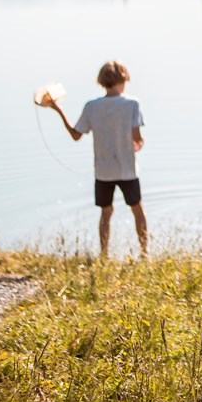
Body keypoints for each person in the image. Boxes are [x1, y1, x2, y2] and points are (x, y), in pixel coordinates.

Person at [47, 60, 147, 258]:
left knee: (106, 213)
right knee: (137, 209)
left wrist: (58, 109)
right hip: (127, 169)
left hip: (103, 171)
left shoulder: (92, 107)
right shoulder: (132, 104)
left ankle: (104, 256)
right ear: (123, 79)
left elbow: (76, 135)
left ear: (102, 81)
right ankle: (144, 253)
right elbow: (137, 138)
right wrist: (139, 143)